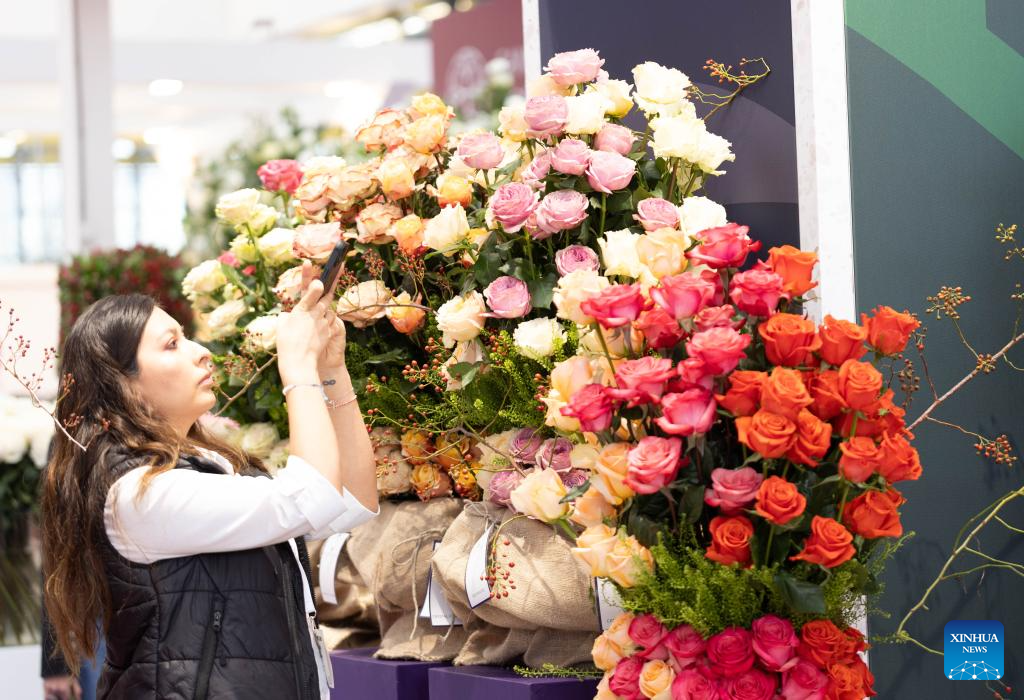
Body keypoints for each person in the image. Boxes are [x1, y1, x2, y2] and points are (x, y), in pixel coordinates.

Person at [40, 268, 379, 700]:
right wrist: (297, 370)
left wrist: (332, 371)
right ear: (124, 386)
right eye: (172, 344)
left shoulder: (209, 464)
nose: (201, 352)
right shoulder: (139, 494)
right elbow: (310, 498)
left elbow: (350, 501)